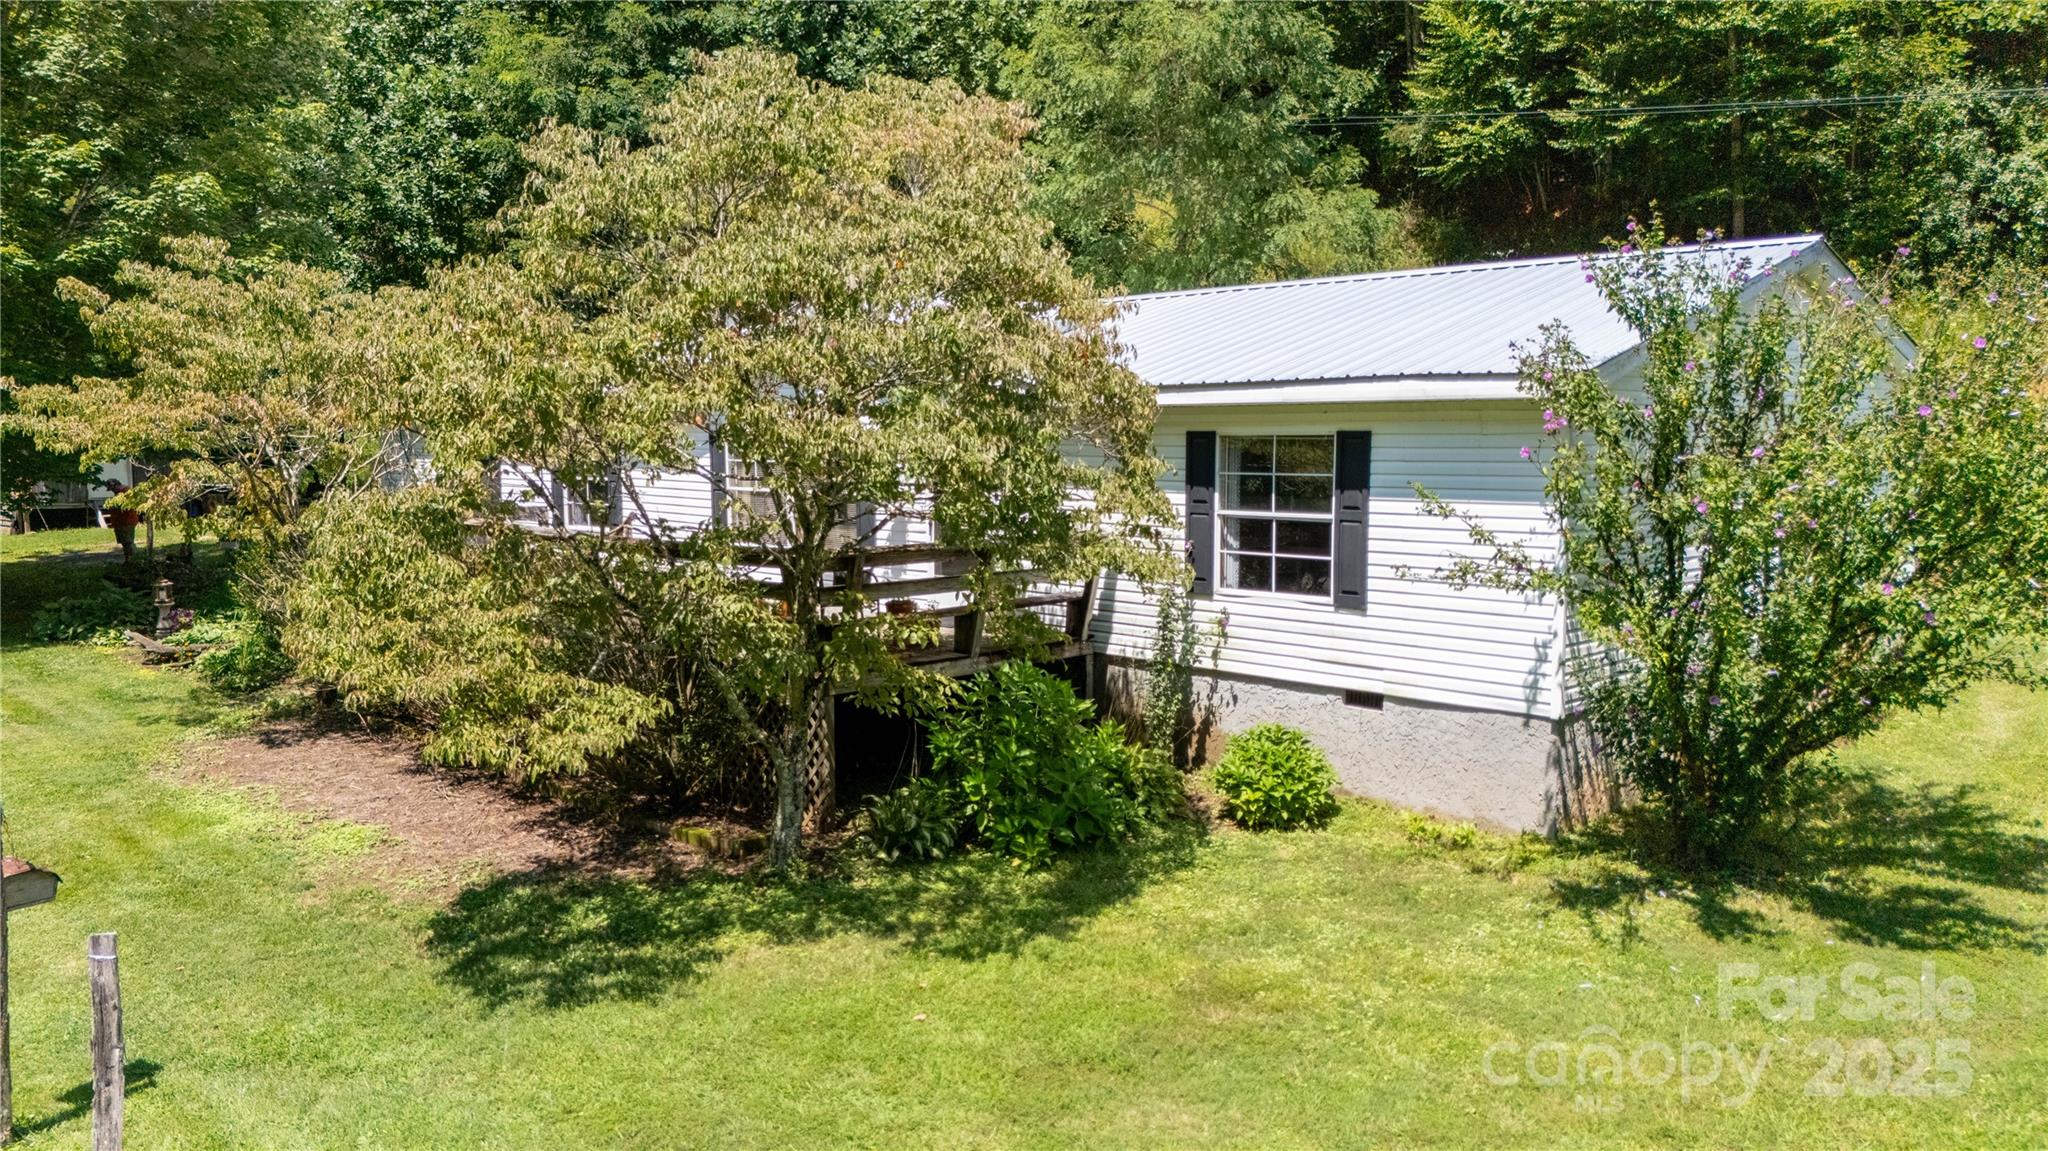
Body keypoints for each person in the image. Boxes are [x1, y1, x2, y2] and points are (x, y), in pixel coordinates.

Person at [102, 479, 141, 562]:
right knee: (124, 542)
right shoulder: (118, 494)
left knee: (128, 542)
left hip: (126, 522)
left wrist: (113, 506)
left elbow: (126, 506)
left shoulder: (126, 492)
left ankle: (134, 560)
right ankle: (128, 560)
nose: (112, 491)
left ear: (116, 485)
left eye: (112, 489)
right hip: (120, 523)